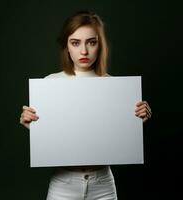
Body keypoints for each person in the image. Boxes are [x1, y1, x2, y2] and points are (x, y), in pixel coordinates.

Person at [20, 10, 152, 200]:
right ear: (66, 45)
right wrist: (32, 123)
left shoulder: (116, 88)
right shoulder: (49, 84)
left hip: (103, 183)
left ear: (100, 45)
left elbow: (115, 135)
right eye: (75, 43)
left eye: (91, 42)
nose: (84, 51)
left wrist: (137, 119)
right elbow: (55, 136)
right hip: (63, 184)